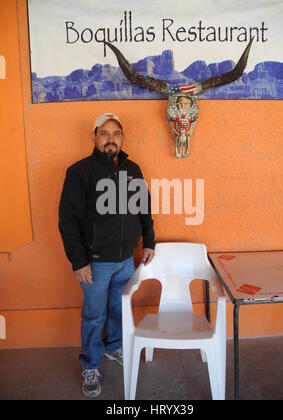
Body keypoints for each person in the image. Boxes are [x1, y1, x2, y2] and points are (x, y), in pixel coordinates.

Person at [58, 112, 155, 398]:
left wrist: (148, 242)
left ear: (122, 138)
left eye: (116, 133)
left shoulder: (133, 169)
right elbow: (68, 221)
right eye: (104, 133)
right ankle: (90, 365)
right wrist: (79, 261)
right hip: (95, 264)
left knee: (117, 310)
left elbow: (143, 209)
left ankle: (113, 347)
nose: (110, 139)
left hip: (126, 260)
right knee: (93, 316)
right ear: (94, 137)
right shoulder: (79, 172)